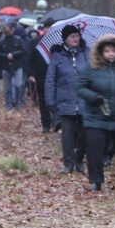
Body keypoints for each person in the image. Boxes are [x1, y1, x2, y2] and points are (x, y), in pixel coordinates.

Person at [77, 34, 115, 191]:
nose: (110, 53)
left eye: (114, 50)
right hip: (96, 116)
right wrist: (93, 97)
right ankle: (96, 181)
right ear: (101, 52)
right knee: (95, 150)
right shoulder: (90, 68)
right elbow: (80, 87)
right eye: (107, 50)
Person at [46, 25, 90, 174]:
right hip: (65, 100)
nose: (76, 39)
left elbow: (93, 74)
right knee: (67, 134)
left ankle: (79, 159)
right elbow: (50, 79)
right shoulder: (57, 57)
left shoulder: (87, 53)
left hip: (85, 100)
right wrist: (50, 101)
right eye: (72, 36)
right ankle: (68, 163)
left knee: (85, 133)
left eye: (77, 36)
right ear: (65, 39)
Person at [27, 21, 54, 132]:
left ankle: (56, 121)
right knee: (42, 101)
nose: (48, 30)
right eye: (46, 27)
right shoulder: (36, 42)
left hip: (55, 77)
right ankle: (46, 124)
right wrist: (31, 74)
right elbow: (30, 59)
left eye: (50, 27)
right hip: (41, 76)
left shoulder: (58, 42)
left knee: (54, 100)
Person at [0, 20, 25, 111]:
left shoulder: (18, 39)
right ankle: (8, 103)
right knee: (7, 87)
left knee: (18, 85)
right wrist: (6, 56)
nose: (8, 32)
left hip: (17, 66)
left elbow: (22, 51)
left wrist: (13, 54)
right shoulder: (1, 41)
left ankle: (17, 102)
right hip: (6, 66)